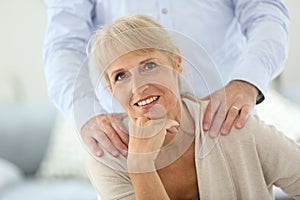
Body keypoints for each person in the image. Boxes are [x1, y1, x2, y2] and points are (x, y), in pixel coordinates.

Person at [86, 14, 300, 199]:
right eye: (121, 76)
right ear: (111, 88)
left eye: (149, 65)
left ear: (177, 62)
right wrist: (140, 166)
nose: (138, 87)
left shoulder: (231, 124)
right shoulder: (107, 156)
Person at [43, 1, 290, 158]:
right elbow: (65, 44)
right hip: (129, 142)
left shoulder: (256, 138)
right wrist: (88, 115)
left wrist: (247, 80)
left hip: (223, 124)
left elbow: (266, 13)